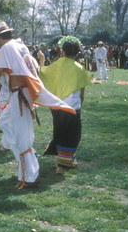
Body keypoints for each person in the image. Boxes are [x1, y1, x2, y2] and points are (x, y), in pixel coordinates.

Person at [0, 22, 75, 189]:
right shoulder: (19, 46)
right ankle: (23, 159)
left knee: (22, 139)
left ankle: (30, 176)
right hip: (22, 94)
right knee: (6, 123)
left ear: (0, 37)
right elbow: (9, 70)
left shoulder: (7, 48)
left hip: (19, 96)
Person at [38, 36, 91, 175]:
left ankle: (68, 160)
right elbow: (82, 92)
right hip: (72, 106)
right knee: (72, 135)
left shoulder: (55, 65)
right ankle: (62, 165)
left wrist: (42, 60)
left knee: (60, 131)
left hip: (57, 105)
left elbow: (42, 73)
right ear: (78, 52)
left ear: (63, 51)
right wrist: (80, 105)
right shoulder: (79, 68)